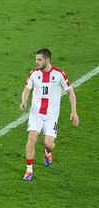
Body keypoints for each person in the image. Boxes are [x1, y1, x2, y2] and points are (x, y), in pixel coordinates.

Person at [20, 48, 79, 181]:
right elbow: (26, 90)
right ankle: (29, 170)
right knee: (31, 138)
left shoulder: (59, 74)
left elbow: (70, 92)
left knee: (48, 143)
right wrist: (24, 100)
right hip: (36, 113)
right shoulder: (33, 74)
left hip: (51, 115)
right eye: (36, 59)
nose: (36, 62)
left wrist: (74, 111)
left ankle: (48, 152)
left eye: (39, 60)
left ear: (47, 60)